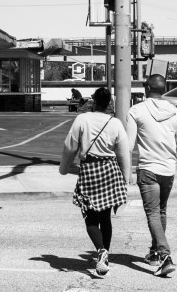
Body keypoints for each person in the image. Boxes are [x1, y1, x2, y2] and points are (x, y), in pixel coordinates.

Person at [125, 74, 177, 278]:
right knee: (161, 212)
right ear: (164, 89)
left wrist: (125, 172)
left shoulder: (136, 111)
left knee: (153, 214)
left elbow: (129, 146)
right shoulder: (175, 113)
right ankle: (155, 252)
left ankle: (165, 256)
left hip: (148, 169)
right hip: (168, 170)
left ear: (147, 89)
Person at [59, 87, 131, 279]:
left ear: (93, 102)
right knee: (105, 217)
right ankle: (104, 257)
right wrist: (125, 178)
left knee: (91, 218)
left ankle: (100, 251)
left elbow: (70, 146)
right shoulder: (115, 123)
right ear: (109, 104)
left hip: (90, 170)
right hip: (110, 170)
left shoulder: (82, 119)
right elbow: (123, 153)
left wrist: (64, 168)